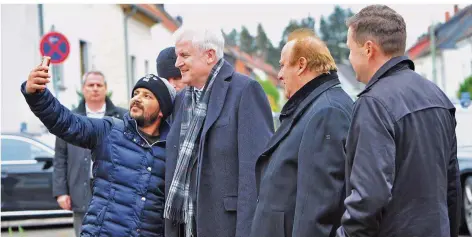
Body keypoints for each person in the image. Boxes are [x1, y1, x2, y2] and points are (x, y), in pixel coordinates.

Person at [336, 5, 461, 237]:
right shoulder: (437, 96)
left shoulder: (374, 104)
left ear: (368, 49)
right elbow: (451, 188)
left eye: (350, 50)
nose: (349, 59)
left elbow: (369, 196)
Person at [21, 69, 176, 237]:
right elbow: (65, 122)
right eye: (136, 93)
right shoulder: (110, 130)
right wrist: (37, 95)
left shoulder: (173, 149)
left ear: (162, 110)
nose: (137, 98)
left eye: (147, 96)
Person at [164, 25, 274, 237]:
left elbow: (256, 175)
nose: (177, 63)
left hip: (226, 227)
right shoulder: (181, 100)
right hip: (185, 227)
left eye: (184, 55)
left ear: (209, 55)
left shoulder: (245, 91)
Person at [250, 29, 353, 237]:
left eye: (282, 65)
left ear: (301, 65)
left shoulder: (327, 112)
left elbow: (317, 208)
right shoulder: (314, 105)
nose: (279, 75)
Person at [52, 71, 127, 237]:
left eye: (99, 85)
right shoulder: (70, 118)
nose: (95, 89)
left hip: (115, 185)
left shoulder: (122, 117)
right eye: (90, 85)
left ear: (106, 88)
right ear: (83, 89)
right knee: (84, 230)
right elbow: (60, 157)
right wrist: (61, 192)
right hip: (80, 185)